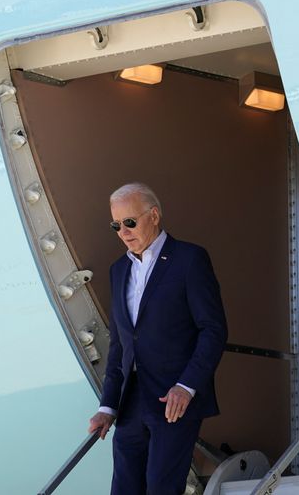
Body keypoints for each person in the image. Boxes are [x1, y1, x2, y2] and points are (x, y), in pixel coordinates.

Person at [88, 182, 228, 495]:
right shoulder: (118, 270)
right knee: (124, 488)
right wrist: (108, 406)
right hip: (131, 402)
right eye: (116, 225)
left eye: (130, 222)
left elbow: (213, 329)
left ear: (154, 215)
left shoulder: (189, 259)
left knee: (161, 488)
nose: (123, 231)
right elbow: (121, 345)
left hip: (173, 400)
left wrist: (187, 386)